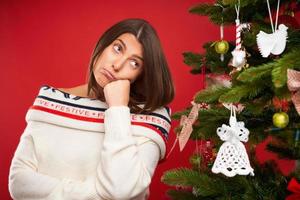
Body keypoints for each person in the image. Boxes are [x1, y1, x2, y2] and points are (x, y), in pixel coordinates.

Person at [8, 18, 175, 200]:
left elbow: (121, 191)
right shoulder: (50, 100)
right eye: (118, 48)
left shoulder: (149, 118)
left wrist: (118, 109)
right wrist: (99, 195)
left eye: (134, 63)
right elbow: (19, 184)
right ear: (103, 45)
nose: (117, 66)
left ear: (140, 75)